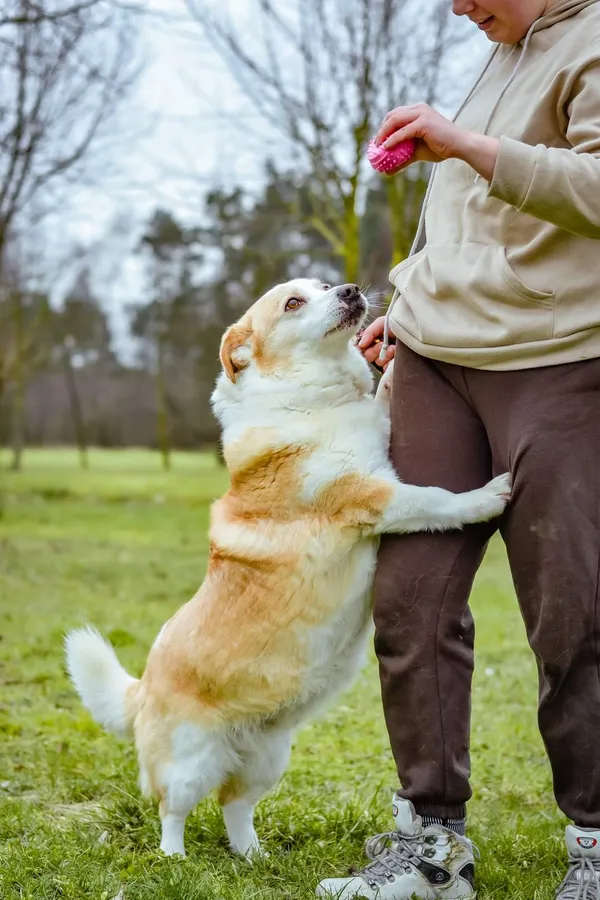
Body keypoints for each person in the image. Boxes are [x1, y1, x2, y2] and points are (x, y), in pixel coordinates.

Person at [316, 1, 600, 898]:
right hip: (437, 358)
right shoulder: (498, 52)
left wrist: (465, 142)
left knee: (574, 610)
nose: (458, 7)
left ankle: (596, 844)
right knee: (410, 596)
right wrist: (404, 305)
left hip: (559, 358)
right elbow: (464, 218)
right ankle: (433, 844)